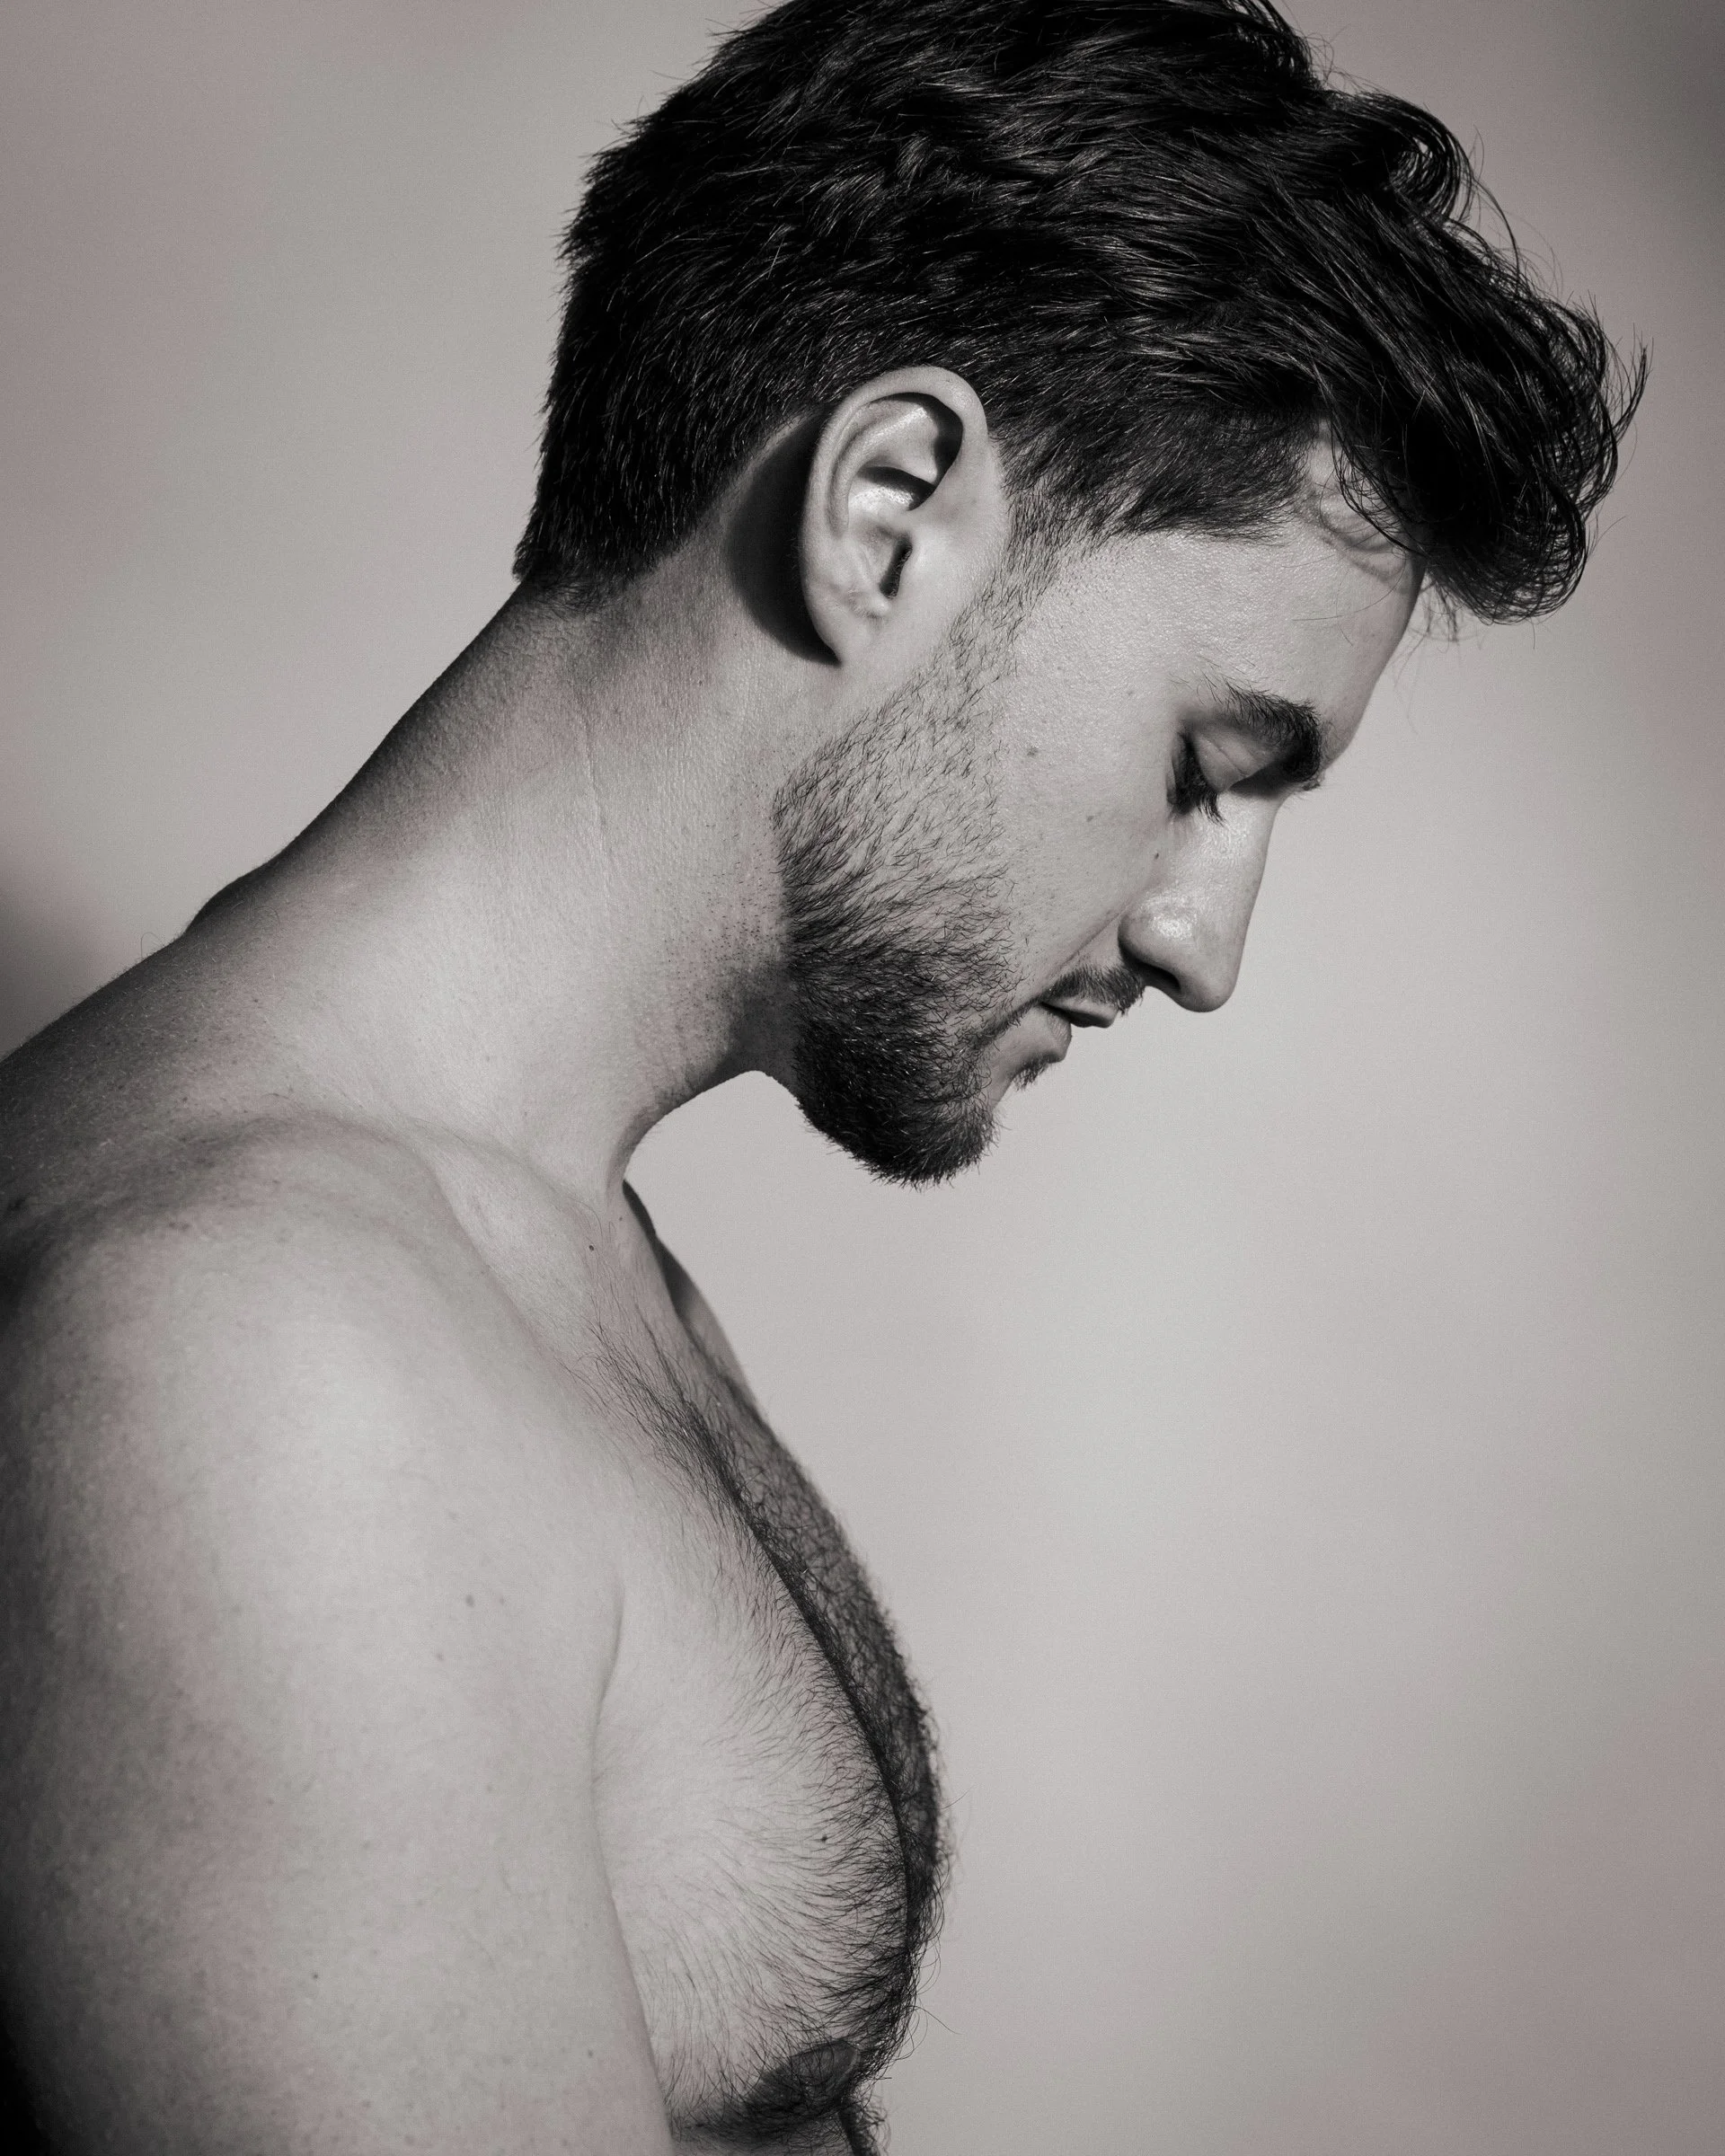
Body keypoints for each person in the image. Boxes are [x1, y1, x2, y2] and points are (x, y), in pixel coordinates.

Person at [0, 1, 1641, 2149]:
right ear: (886, 514)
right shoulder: (257, 1379)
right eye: (1208, 767)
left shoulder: (499, 1240)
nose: (1204, 946)